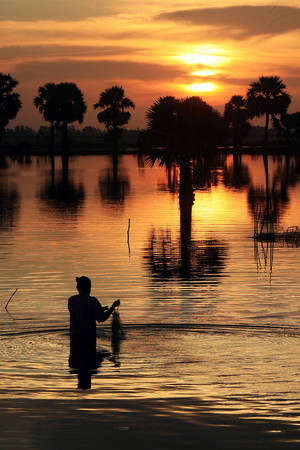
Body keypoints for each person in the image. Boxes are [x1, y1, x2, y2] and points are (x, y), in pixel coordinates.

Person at [68, 276, 120, 388]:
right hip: (88, 340)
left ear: (77, 287)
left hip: (75, 339)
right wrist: (112, 307)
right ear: (89, 287)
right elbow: (100, 319)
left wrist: (100, 309)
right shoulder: (93, 301)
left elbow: (82, 312)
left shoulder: (71, 300)